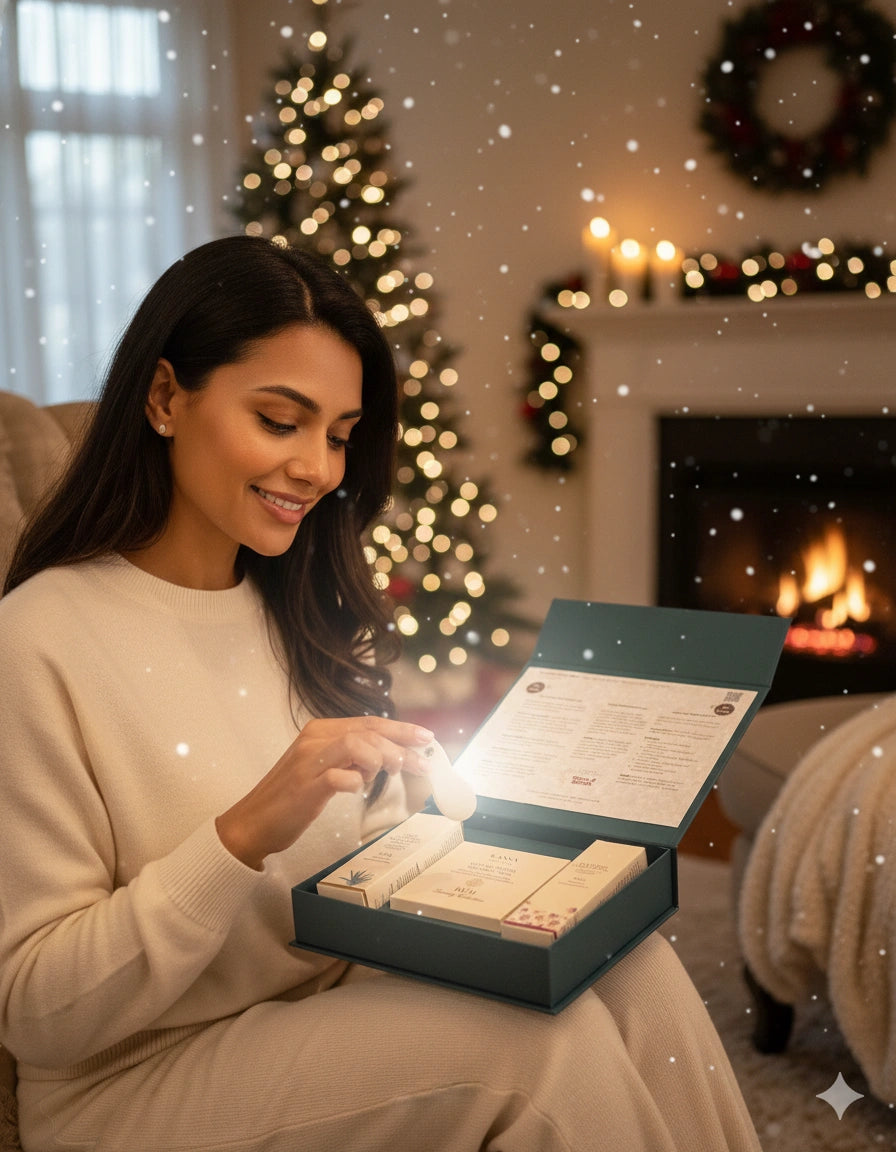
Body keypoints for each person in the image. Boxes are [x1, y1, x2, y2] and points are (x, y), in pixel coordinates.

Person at [0, 235, 761, 1151]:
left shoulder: (289, 605)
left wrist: (492, 840)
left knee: (625, 964)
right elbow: (39, 1012)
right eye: (281, 421)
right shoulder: (37, 642)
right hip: (128, 1078)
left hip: (320, 997)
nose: (318, 470)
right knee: (534, 1054)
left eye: (339, 435)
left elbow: (348, 871)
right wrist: (244, 834)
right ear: (165, 397)